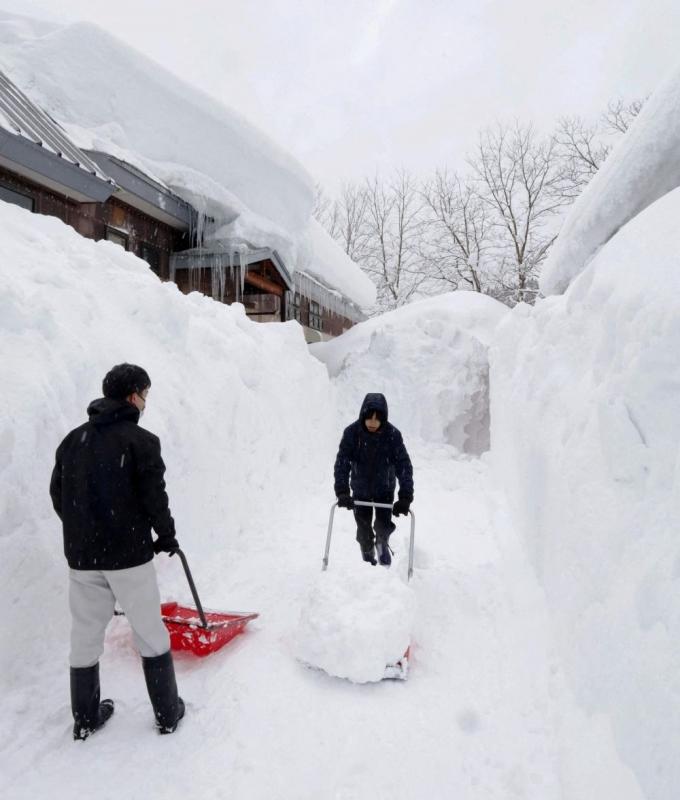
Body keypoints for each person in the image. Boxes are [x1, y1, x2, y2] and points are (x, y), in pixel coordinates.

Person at [50, 363, 185, 740]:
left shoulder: (72, 440)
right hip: (128, 556)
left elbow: (58, 494)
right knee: (148, 631)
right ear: (132, 396)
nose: (145, 402)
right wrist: (166, 534)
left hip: (82, 557)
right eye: (145, 394)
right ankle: (167, 712)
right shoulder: (141, 442)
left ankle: (86, 717)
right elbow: (154, 497)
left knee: (85, 633)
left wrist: (83, 529)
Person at [333, 393, 414, 566]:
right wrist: (342, 491)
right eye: (369, 417)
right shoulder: (352, 434)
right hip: (360, 491)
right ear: (363, 415)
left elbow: (403, 465)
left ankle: (382, 543)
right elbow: (342, 463)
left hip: (384, 489)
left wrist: (405, 496)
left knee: (382, 525)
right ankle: (367, 549)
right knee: (363, 530)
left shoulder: (392, 435)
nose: (372, 422)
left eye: (377, 419)